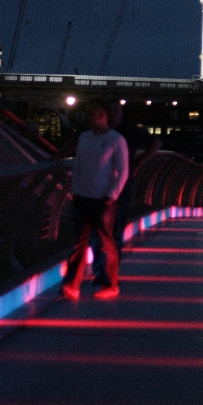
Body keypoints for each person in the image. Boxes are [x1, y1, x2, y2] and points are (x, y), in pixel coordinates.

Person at [60, 100, 129, 300]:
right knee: (78, 244)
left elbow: (123, 171)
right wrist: (75, 191)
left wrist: (111, 195)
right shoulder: (84, 138)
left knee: (106, 243)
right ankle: (71, 285)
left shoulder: (116, 140)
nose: (88, 117)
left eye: (91, 113)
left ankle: (110, 285)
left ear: (101, 114)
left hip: (103, 201)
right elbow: (78, 165)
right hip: (82, 198)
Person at [91, 101, 160, 287]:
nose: (114, 114)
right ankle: (101, 271)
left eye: (116, 110)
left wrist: (140, 161)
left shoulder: (129, 130)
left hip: (120, 188)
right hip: (98, 187)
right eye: (111, 110)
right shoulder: (99, 130)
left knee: (113, 231)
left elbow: (156, 142)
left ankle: (107, 273)